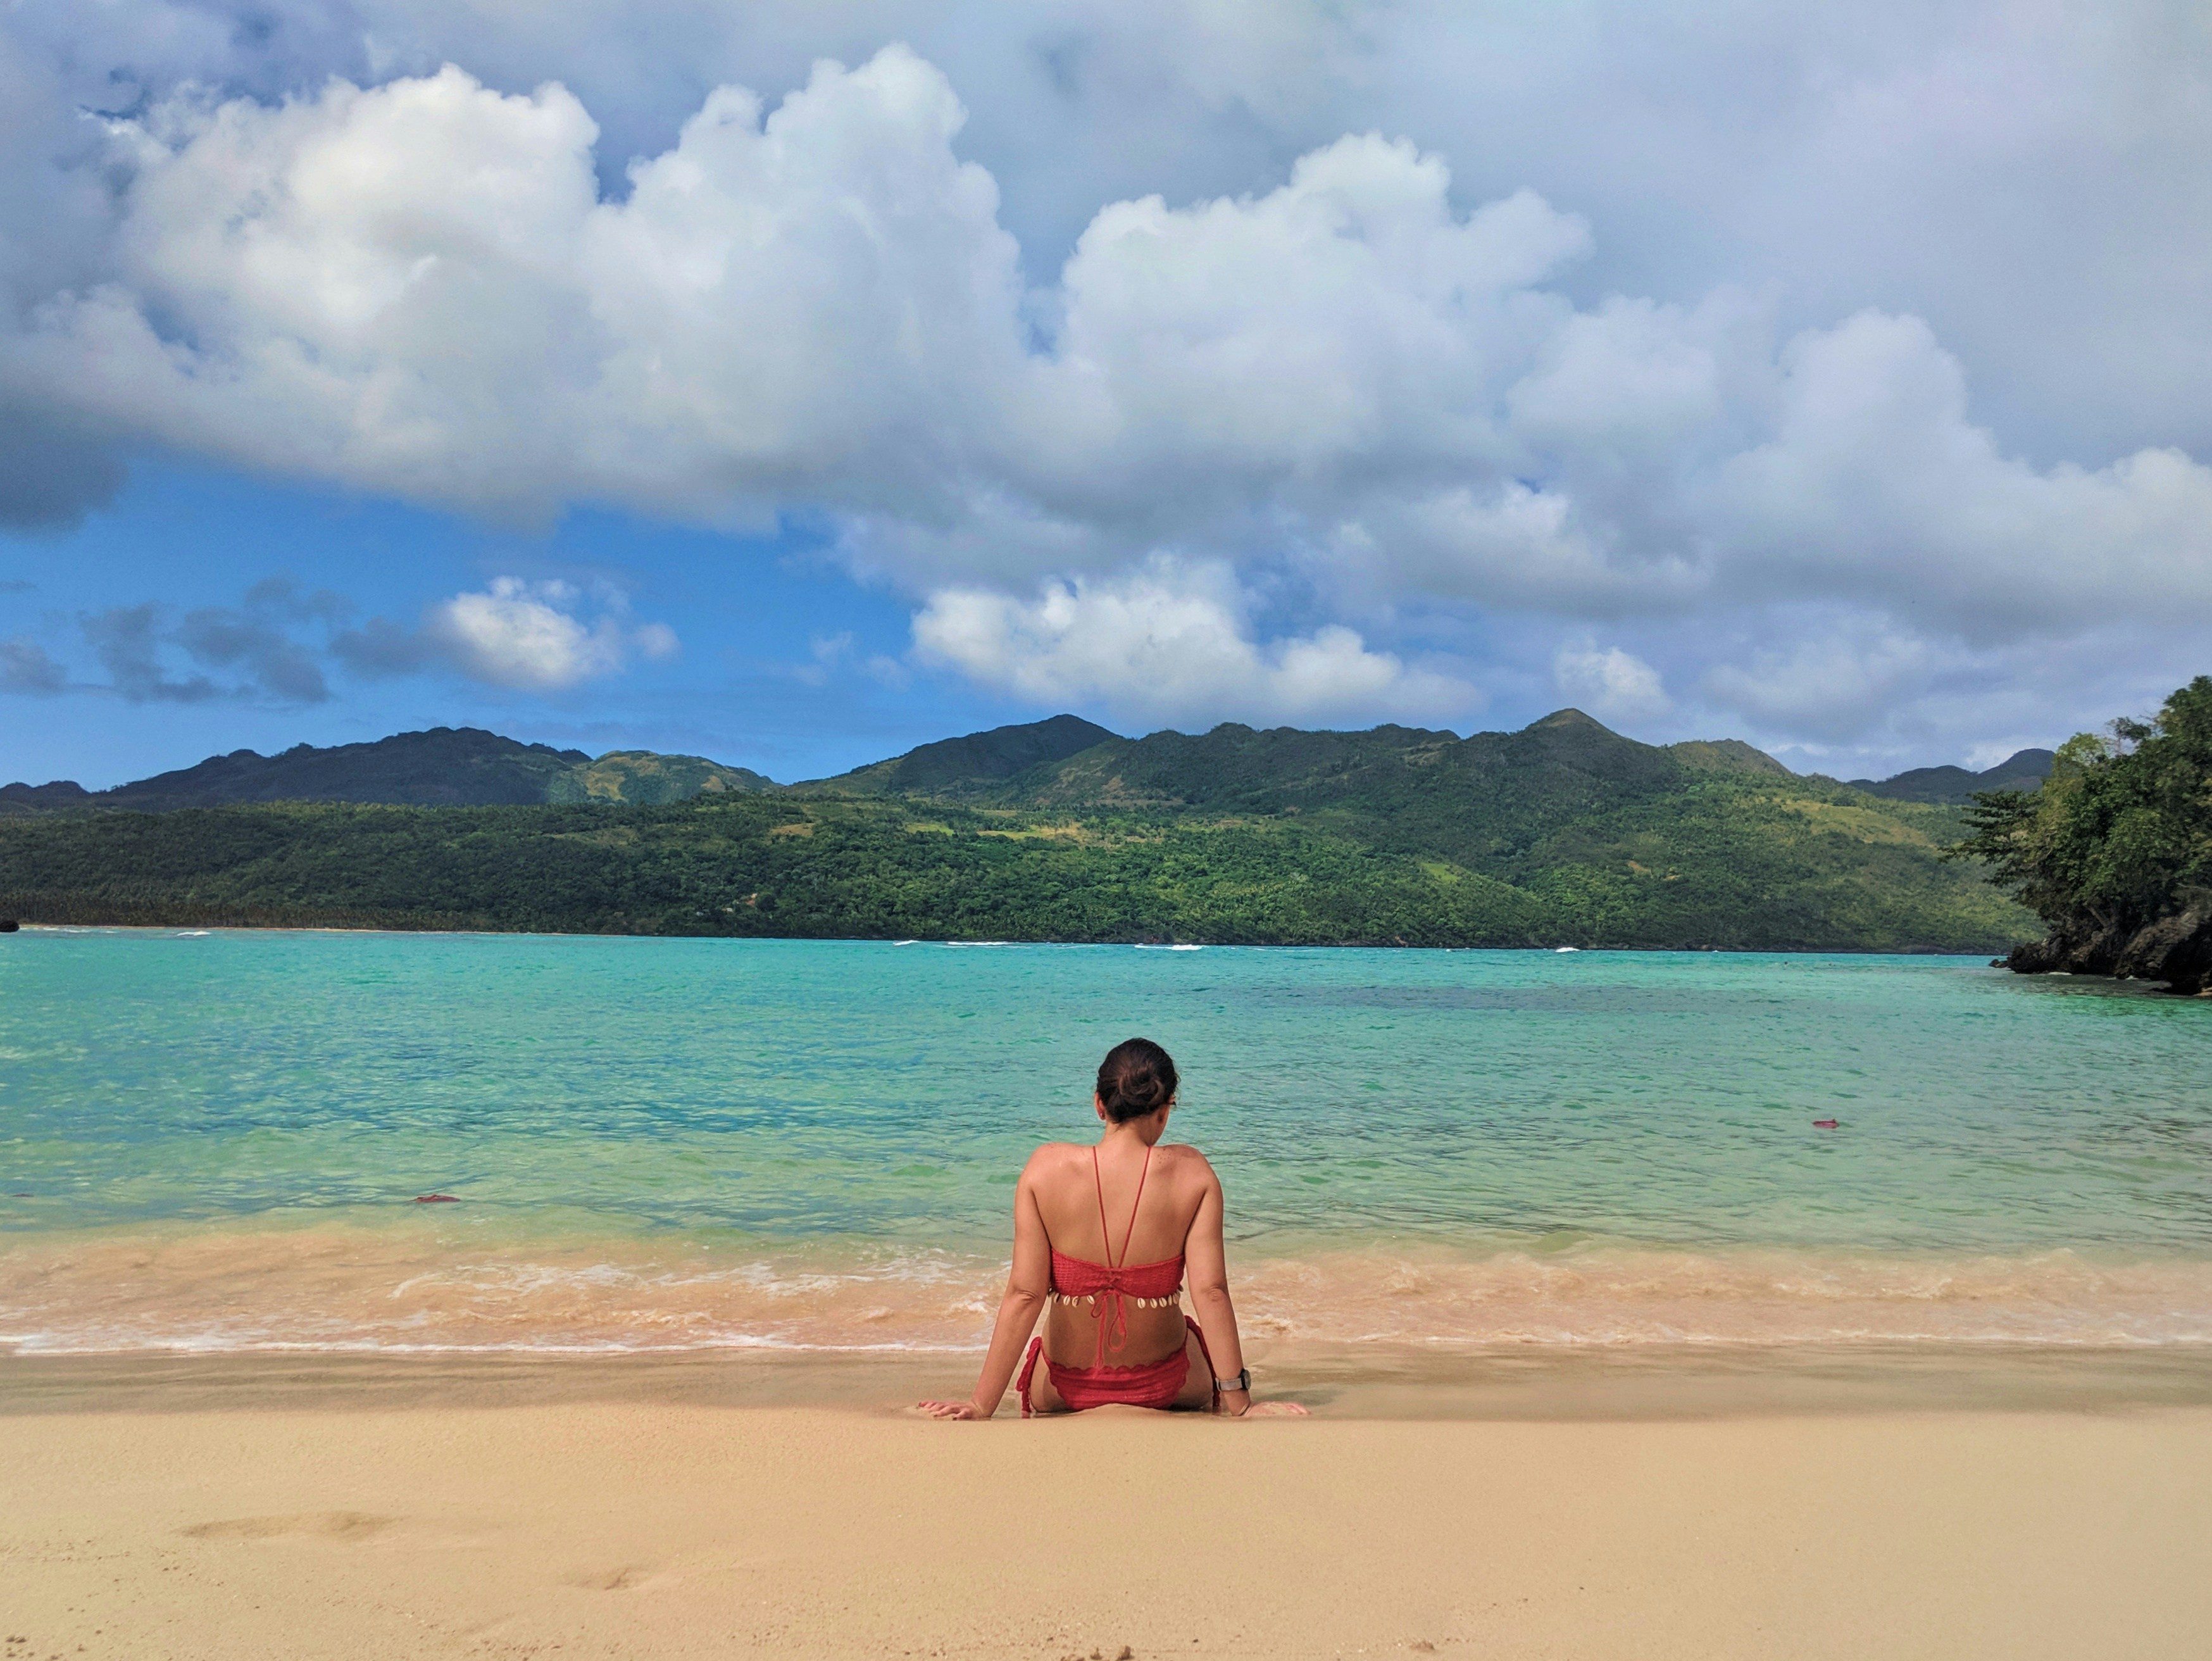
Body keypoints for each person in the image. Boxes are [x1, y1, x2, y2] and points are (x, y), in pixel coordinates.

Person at [920, 1038, 1304, 1420]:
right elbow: (1211, 1292)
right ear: (1165, 1110)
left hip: (1059, 1389)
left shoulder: (1044, 1169)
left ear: (1099, 1104)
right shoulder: (1192, 1173)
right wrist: (1241, 1404)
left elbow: (1025, 1294)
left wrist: (981, 1405)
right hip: (1173, 1385)